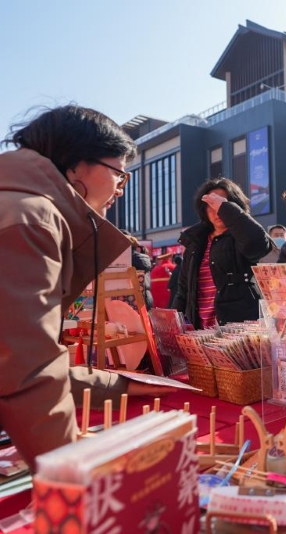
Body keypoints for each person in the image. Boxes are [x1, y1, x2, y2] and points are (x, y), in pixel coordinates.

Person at [0, 105, 174, 469]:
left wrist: (119, 386)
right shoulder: (32, 218)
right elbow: (25, 367)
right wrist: (74, 477)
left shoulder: (20, 206)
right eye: (119, 175)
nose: (120, 190)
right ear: (77, 164)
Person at [172, 178, 272, 330]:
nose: (217, 210)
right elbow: (183, 290)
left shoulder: (242, 236)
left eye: (222, 203)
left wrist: (226, 208)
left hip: (238, 330)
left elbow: (257, 244)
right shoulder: (195, 241)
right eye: (211, 204)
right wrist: (172, 326)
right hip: (200, 331)